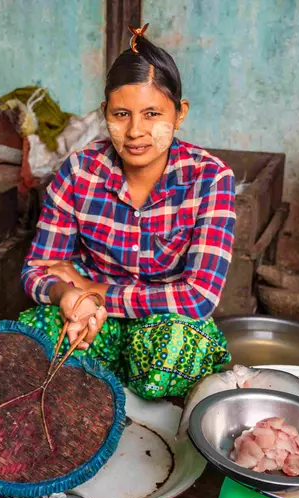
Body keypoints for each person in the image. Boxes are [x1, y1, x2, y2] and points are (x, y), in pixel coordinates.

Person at [20, 26, 236, 400]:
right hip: (93, 318)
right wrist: (68, 296)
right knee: (32, 335)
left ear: (179, 114)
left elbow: (199, 296)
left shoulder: (210, 179)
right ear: (105, 113)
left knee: (177, 350)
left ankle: (116, 389)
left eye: (152, 113)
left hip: (161, 323)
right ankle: (98, 394)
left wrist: (97, 290)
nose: (136, 131)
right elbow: (36, 270)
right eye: (121, 114)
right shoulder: (80, 171)